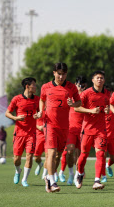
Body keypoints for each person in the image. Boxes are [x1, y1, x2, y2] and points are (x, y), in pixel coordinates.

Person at [37, 63, 81, 193]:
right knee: (51, 152)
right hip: (49, 124)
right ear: (54, 73)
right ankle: (52, 180)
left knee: (58, 155)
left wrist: (73, 103)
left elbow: (79, 102)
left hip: (64, 126)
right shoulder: (46, 87)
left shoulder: (71, 87)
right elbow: (42, 100)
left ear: (66, 74)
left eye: (64, 74)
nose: (61, 76)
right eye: (59, 73)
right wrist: (41, 111)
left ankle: (48, 178)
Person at [74, 71, 109, 190]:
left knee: (101, 154)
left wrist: (108, 110)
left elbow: (108, 107)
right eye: (97, 78)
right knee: (83, 155)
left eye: (102, 78)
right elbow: (77, 108)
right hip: (87, 129)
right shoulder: (86, 93)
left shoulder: (107, 94)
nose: (100, 80)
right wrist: (91, 111)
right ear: (93, 80)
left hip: (101, 130)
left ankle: (97, 180)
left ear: (104, 81)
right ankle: (79, 173)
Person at [5, 77, 40, 187]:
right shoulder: (16, 99)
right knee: (16, 159)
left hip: (32, 134)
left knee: (29, 156)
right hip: (19, 133)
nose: (35, 87)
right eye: (33, 85)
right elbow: (7, 113)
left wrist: (38, 115)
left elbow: (42, 112)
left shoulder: (37, 99)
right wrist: (16, 118)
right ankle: (18, 171)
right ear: (27, 86)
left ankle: (24, 179)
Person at [59, 76, 87, 185]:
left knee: (79, 154)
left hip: (83, 129)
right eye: (79, 84)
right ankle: (69, 173)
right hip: (71, 128)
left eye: (83, 85)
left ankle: (76, 175)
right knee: (69, 151)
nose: (81, 87)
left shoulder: (86, 96)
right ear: (75, 84)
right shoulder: (70, 95)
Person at [102, 85, 114, 183]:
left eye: (111, 92)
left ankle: (108, 166)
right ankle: (103, 175)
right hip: (102, 134)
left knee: (113, 158)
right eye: (108, 92)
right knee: (101, 155)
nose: (110, 95)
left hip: (113, 136)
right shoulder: (102, 105)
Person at [34, 109, 45, 177]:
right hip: (39, 136)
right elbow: (31, 121)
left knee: (49, 155)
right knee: (36, 157)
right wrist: (38, 127)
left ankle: (45, 173)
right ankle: (40, 164)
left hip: (49, 135)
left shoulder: (52, 108)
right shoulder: (37, 110)